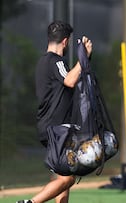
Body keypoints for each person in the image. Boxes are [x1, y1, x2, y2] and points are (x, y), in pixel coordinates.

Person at [16, 21, 92, 203]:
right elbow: (70, 81)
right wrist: (84, 57)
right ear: (65, 42)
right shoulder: (55, 61)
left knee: (61, 177)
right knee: (68, 178)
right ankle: (30, 202)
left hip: (49, 127)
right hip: (56, 129)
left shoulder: (43, 61)